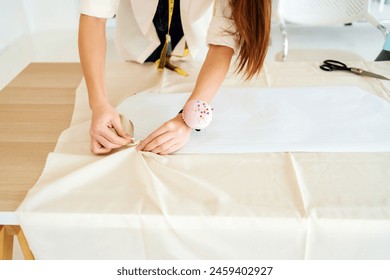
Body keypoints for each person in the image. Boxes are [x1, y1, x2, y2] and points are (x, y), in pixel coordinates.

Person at [78, 0, 271, 155]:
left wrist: (188, 118)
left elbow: (222, 44)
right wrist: (99, 104)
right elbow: (94, 16)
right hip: (136, 54)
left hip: (196, 59)